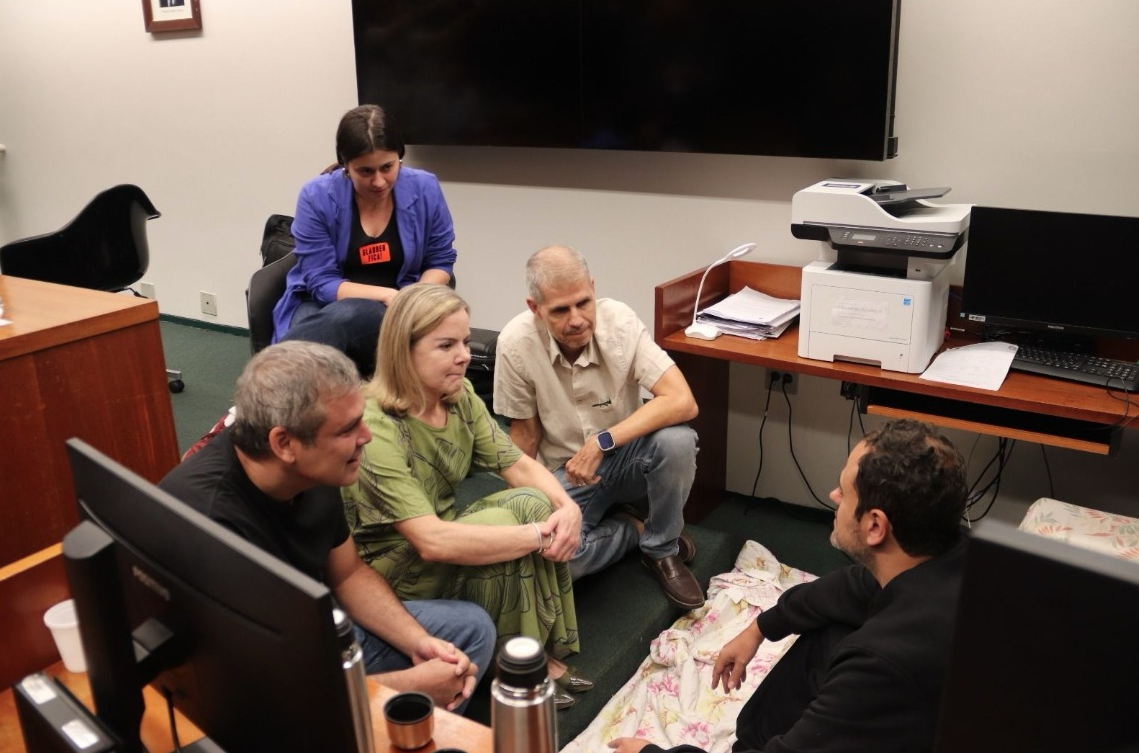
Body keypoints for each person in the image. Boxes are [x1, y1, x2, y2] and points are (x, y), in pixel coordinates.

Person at [159, 340, 495, 715]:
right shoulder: (211, 528)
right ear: (284, 443)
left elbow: (348, 574)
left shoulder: (313, 470)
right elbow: (261, 692)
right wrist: (407, 687)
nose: (366, 436)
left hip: (305, 631)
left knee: (470, 630)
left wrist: (417, 642)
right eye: (348, 429)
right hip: (254, 686)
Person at [608, 418, 970, 753]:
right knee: (829, 626)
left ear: (875, 526)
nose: (834, 495)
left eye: (845, 492)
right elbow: (854, 587)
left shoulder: (879, 665)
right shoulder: (954, 554)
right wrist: (761, 627)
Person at [341, 283, 591, 711]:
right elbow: (430, 541)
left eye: (464, 341)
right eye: (446, 345)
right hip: (390, 567)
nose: (464, 355)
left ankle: (533, 650)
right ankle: (510, 663)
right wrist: (538, 536)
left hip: (440, 531)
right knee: (512, 524)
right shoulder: (375, 426)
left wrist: (568, 508)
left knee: (535, 501)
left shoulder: (457, 397)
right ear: (403, 350)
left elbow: (518, 464)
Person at [494, 245, 703, 610]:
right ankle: (634, 530)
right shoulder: (515, 344)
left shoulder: (620, 321)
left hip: (627, 458)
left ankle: (662, 549)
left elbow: (683, 400)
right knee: (556, 560)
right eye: (560, 310)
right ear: (535, 308)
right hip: (563, 473)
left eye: (583, 302)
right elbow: (525, 436)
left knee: (678, 441)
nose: (577, 319)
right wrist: (519, 511)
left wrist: (602, 442)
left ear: (592, 288)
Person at [273, 104, 457, 377]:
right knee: (323, 345)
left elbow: (440, 261)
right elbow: (321, 282)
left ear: (399, 157)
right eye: (365, 171)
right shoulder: (316, 196)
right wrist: (387, 296)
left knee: (310, 354)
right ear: (346, 165)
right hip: (325, 303)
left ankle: (275, 375)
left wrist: (410, 300)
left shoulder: (425, 187)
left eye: (388, 167)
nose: (379, 182)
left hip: (404, 299)